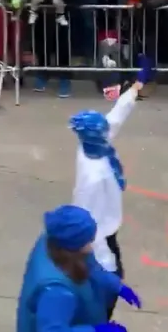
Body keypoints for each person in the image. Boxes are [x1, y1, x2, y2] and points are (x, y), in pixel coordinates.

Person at [69, 55, 153, 311]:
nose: (107, 128)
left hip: (106, 227)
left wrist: (137, 84)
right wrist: (108, 270)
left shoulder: (94, 145)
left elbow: (116, 116)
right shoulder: (93, 176)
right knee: (102, 291)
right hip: (99, 236)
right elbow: (89, 223)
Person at [17, 204, 141, 332]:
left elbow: (91, 266)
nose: (90, 246)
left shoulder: (55, 241)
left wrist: (116, 285)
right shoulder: (56, 291)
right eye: (87, 242)